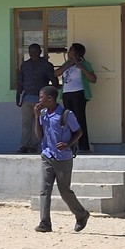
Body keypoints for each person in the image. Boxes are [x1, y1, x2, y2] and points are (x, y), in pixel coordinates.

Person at [34, 87, 91, 233]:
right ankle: (45, 223)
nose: (39, 100)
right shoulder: (43, 114)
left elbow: (79, 132)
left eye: (41, 97)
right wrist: (36, 116)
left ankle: (81, 214)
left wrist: (68, 144)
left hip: (63, 158)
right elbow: (39, 136)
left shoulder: (66, 114)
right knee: (44, 190)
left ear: (50, 99)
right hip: (47, 155)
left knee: (64, 191)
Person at [56, 43, 98, 152]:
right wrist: (68, 65)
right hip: (66, 94)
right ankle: (70, 145)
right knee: (68, 119)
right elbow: (57, 73)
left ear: (77, 52)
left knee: (80, 119)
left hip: (79, 93)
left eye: (71, 50)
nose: (68, 52)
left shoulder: (85, 64)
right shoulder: (67, 63)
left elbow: (93, 79)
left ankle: (84, 146)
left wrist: (81, 67)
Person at [15, 43, 57, 153]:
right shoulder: (25, 65)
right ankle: (24, 145)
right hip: (26, 98)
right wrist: (17, 96)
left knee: (37, 123)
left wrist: (52, 94)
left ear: (40, 52)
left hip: (41, 100)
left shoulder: (46, 65)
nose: (32, 53)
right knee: (26, 124)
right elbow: (20, 82)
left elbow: (54, 81)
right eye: (30, 51)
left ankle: (33, 145)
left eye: (34, 51)